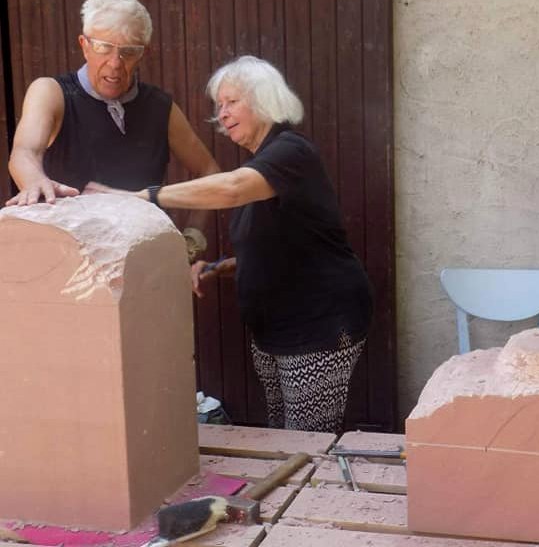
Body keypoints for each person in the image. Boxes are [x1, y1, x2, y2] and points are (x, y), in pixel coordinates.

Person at [90, 55, 373, 433]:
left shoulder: (290, 152)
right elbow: (278, 245)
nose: (222, 114)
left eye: (232, 102)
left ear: (263, 99)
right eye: (219, 105)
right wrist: (216, 268)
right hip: (275, 329)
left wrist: (144, 196)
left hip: (319, 325)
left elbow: (232, 188)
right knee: (281, 435)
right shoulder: (264, 163)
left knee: (307, 441)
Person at [4, 0, 219, 258]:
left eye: (128, 52)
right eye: (103, 47)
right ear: (84, 45)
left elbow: (210, 172)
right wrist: (34, 181)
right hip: (69, 260)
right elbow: (24, 153)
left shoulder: (160, 107)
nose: (115, 63)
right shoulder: (51, 92)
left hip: (144, 260)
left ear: (144, 53)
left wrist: (192, 239)